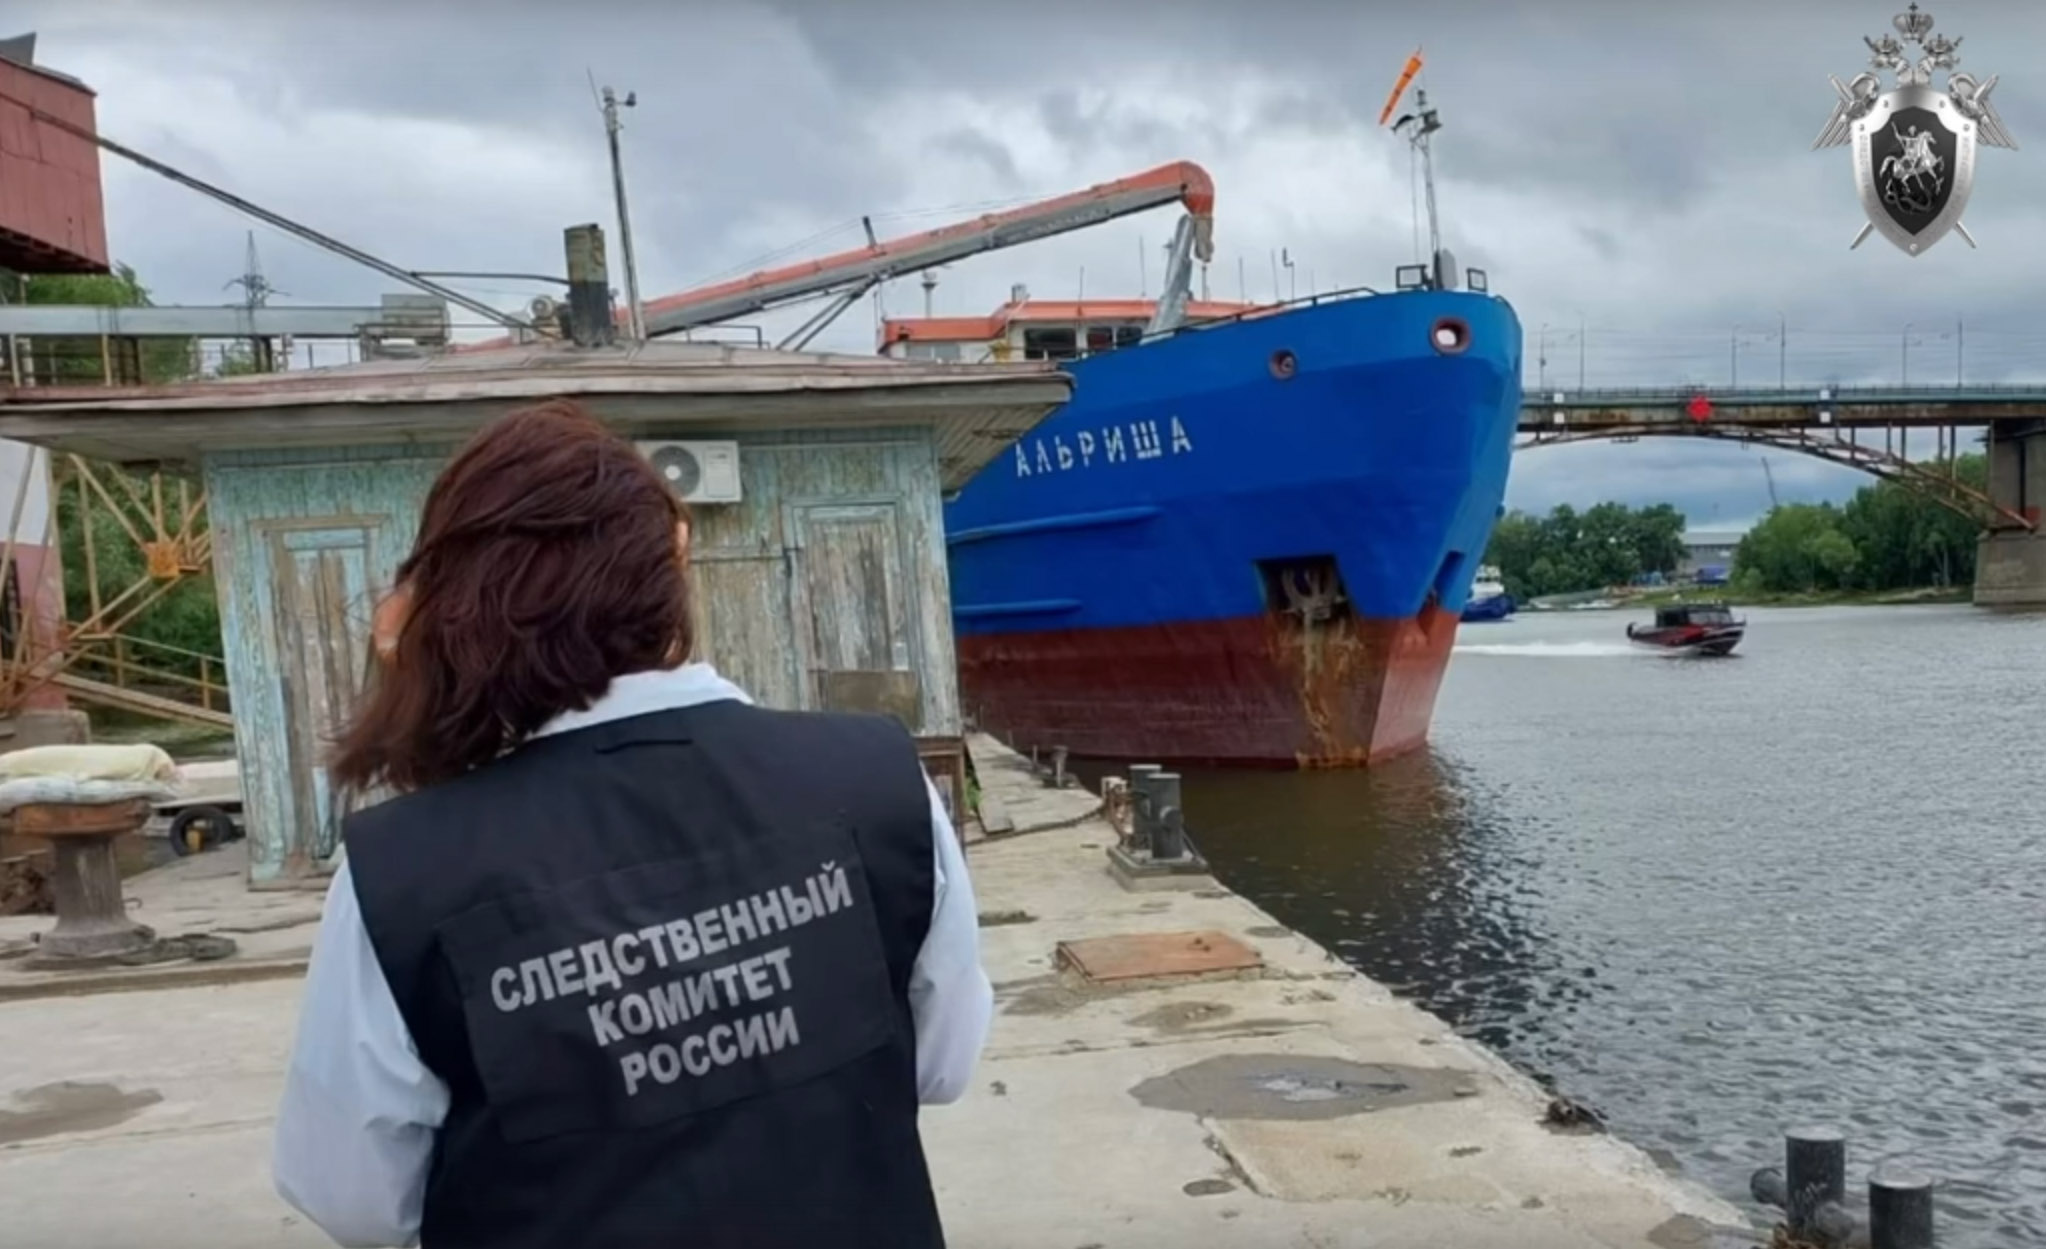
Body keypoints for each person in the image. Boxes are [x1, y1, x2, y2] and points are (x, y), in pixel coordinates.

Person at [271, 399, 993, 1249]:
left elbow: (354, 1195)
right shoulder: (878, 779)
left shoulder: (401, 871)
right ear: (669, 574)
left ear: (461, 606)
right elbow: (939, 1063)